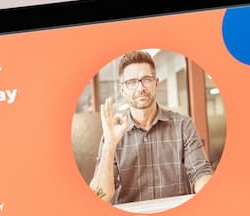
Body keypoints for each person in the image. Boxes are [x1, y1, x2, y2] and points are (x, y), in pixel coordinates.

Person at [89, 51, 213, 205]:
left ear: (156, 83)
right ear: (123, 90)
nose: (140, 88)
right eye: (132, 82)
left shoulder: (183, 125)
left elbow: (201, 173)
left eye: (146, 79)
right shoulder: (113, 135)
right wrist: (109, 144)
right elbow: (100, 197)